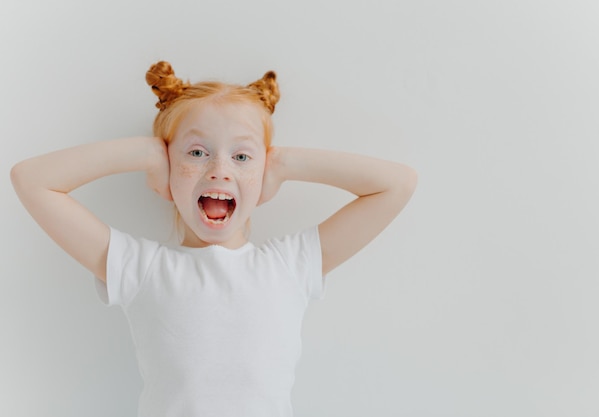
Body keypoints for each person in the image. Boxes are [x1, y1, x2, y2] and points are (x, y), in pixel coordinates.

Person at [10, 61, 417, 417]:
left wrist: (283, 163)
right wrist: (148, 155)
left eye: (241, 157)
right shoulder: (140, 268)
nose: (220, 171)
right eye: (197, 153)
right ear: (168, 167)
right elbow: (31, 180)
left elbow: (397, 185)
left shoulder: (290, 265)